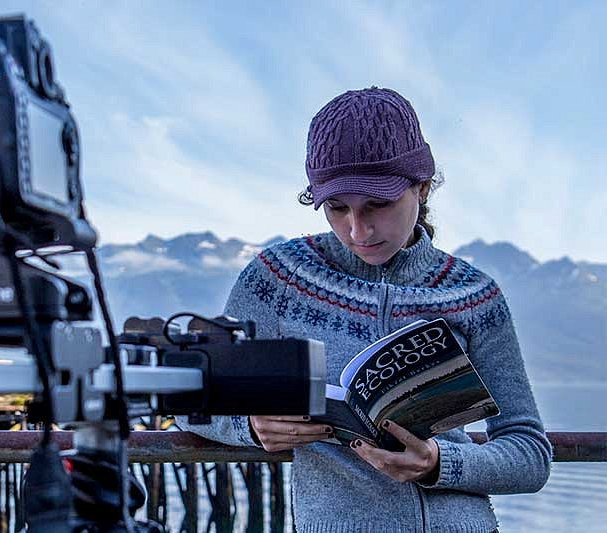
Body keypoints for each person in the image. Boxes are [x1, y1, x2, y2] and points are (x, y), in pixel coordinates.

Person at [178, 87, 551, 532]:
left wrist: (439, 463)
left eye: (379, 204)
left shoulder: (474, 295)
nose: (358, 230)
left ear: (422, 186)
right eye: (337, 208)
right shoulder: (278, 279)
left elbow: (529, 453)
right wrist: (249, 428)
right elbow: (192, 401)